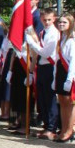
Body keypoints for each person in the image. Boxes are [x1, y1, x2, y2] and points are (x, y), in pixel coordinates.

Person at [26, 8, 59, 138]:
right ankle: (46, 126)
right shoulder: (42, 32)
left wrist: (32, 44)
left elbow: (46, 53)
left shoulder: (54, 34)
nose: (47, 22)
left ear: (54, 19)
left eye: (49, 20)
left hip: (50, 67)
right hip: (42, 67)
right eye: (44, 20)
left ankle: (52, 127)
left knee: (50, 99)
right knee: (42, 99)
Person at [53, 13, 75, 143]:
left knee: (69, 104)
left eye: (64, 22)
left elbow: (74, 61)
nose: (61, 25)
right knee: (62, 103)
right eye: (60, 22)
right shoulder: (62, 38)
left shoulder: (72, 40)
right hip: (60, 72)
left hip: (68, 73)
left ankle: (69, 130)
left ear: (70, 24)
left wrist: (69, 79)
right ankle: (64, 129)